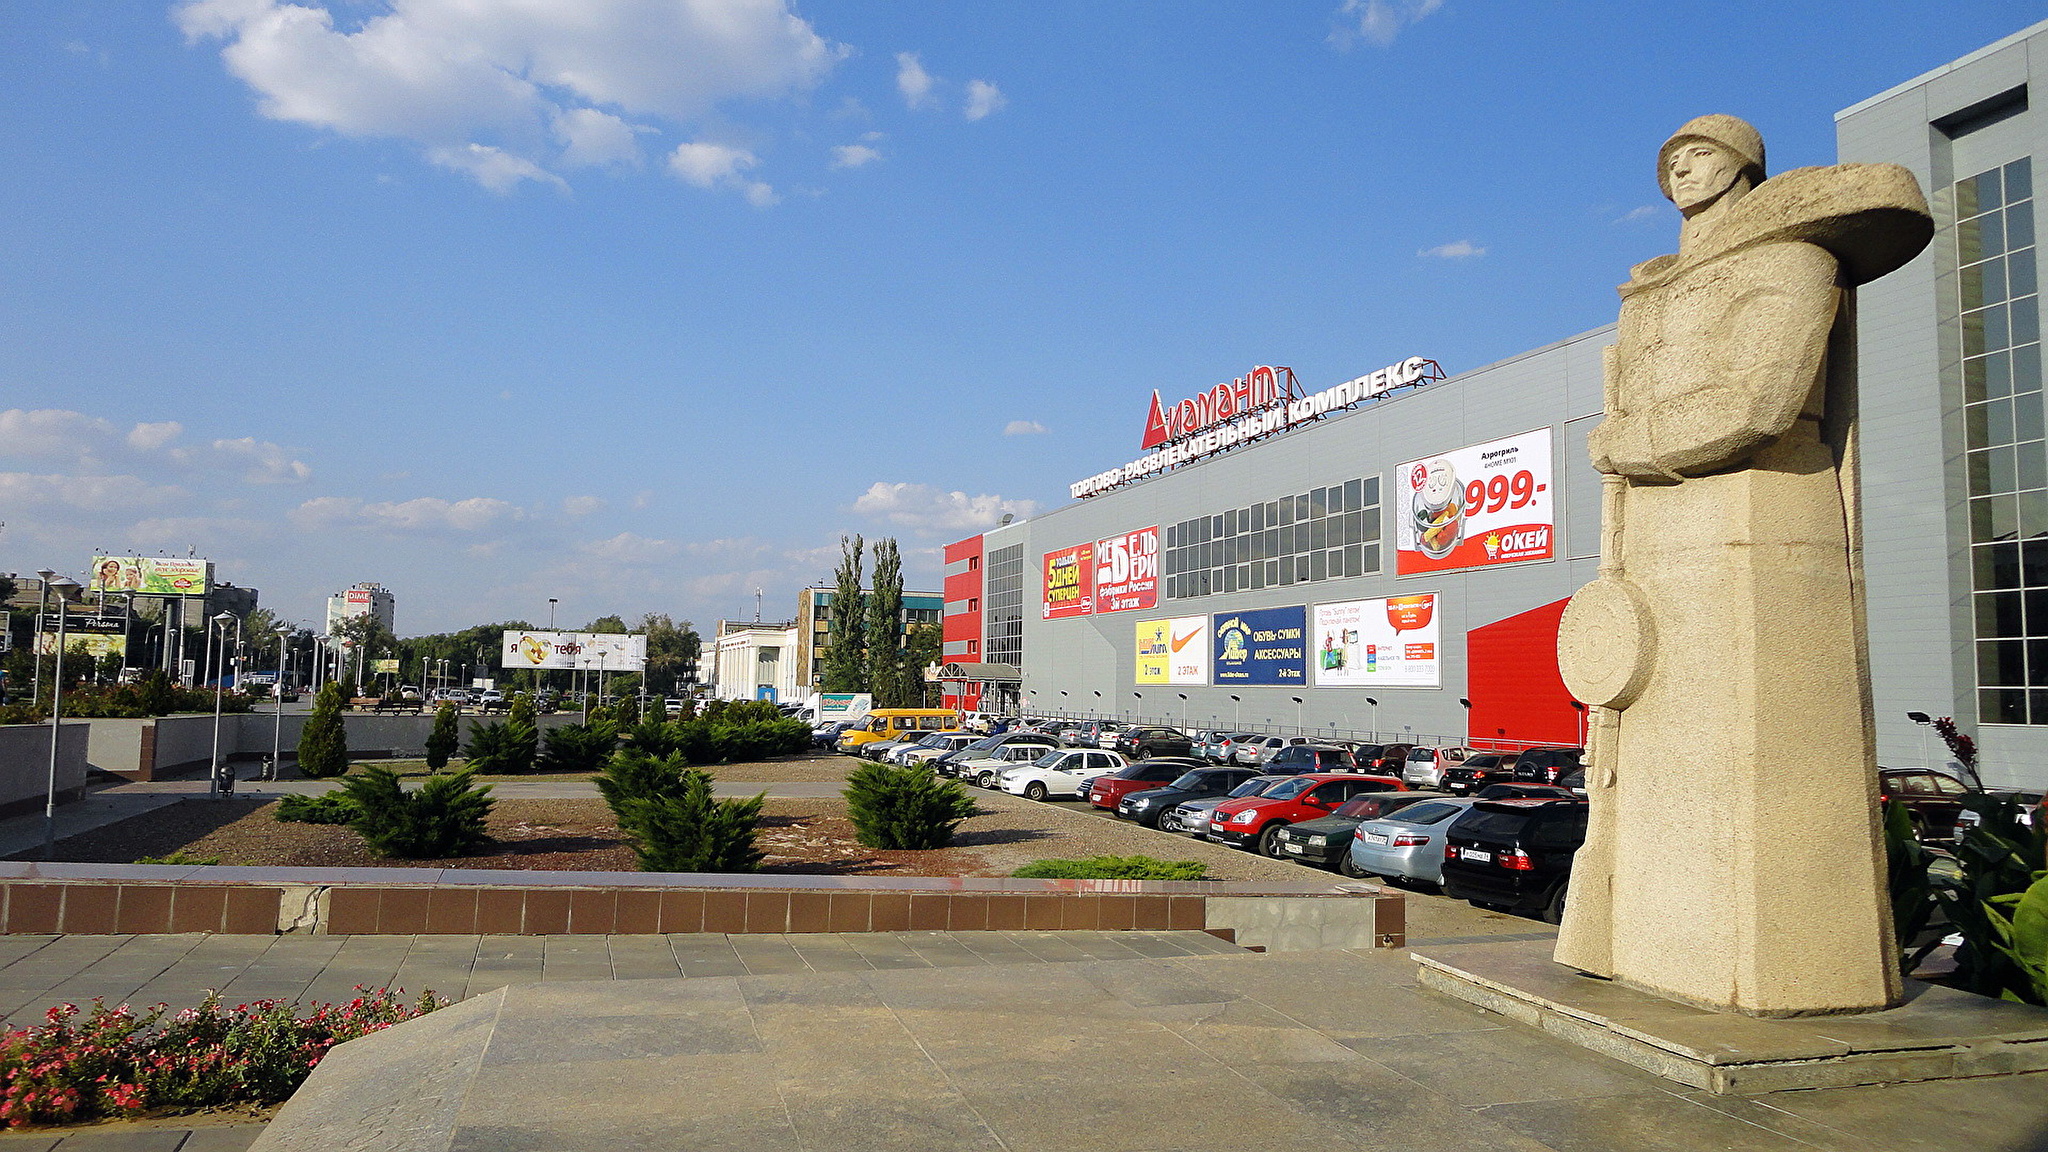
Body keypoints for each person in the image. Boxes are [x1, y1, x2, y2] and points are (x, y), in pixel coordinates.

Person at [1555, 115, 1931, 1014]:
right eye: (1670, 162)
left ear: (1745, 167)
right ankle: (1635, 939)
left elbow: (1760, 401)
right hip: (1656, 527)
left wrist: (1627, 444)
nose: (1682, 170)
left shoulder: (1789, 260)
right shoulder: (1652, 290)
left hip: (1762, 518)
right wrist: (1624, 441)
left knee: (1766, 778)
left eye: (1701, 156)